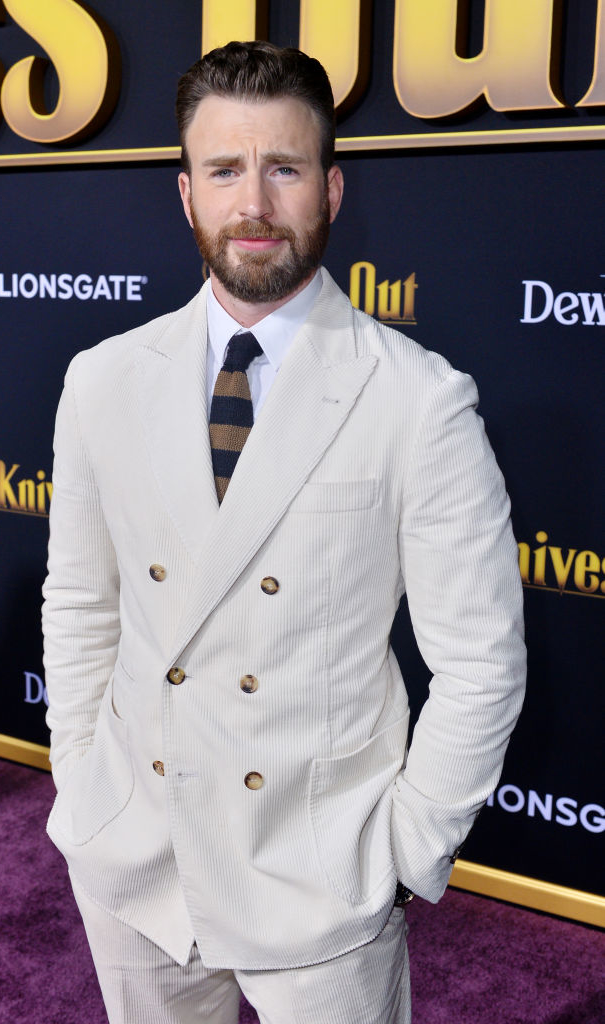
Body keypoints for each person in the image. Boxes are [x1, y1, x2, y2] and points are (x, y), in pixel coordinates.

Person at [42, 40, 526, 1024]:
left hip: (316, 878)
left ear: (331, 189)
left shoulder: (417, 400)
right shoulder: (102, 379)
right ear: (185, 194)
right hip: (136, 856)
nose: (252, 203)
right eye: (222, 169)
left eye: (284, 168)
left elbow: (479, 661)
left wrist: (403, 849)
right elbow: (83, 602)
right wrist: (84, 782)